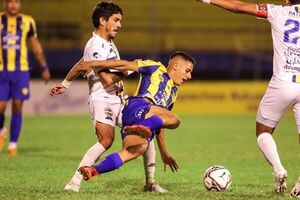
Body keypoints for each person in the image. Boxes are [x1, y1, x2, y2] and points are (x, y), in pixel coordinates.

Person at [50, 1, 168, 193]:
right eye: (116, 20)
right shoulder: (96, 44)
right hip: (103, 99)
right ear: (102, 21)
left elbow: (82, 63)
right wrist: (131, 70)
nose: (119, 25)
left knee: (145, 129)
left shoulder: (107, 42)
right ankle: (74, 181)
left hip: (119, 100)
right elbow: (106, 79)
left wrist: (65, 83)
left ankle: (150, 182)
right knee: (106, 140)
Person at [196, 0, 300, 196]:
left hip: (284, 81)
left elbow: (238, 6)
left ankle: (278, 169)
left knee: (263, 130)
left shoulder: (278, 11)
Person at [77, 51, 195, 187]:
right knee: (175, 120)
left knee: (132, 152)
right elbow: (124, 64)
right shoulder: (156, 67)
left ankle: (94, 169)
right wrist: (93, 63)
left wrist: (164, 153)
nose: (189, 76)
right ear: (175, 66)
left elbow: (161, 124)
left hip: (137, 123)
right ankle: (143, 127)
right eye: (187, 71)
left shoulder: (173, 92)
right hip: (138, 107)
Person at [0, 0, 51, 156]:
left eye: (16, 2)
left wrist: (44, 67)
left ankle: (12, 145)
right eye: (10, 2)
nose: (13, 5)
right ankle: (2, 130)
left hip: (21, 72)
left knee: (17, 106)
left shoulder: (27, 21)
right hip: (1, 71)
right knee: (1, 107)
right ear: (5, 3)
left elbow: (35, 45)